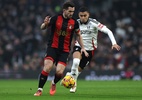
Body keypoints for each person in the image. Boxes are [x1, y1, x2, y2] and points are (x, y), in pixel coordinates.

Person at [34, 2, 88, 96]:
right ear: (64, 10)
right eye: (70, 11)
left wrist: (83, 48)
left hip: (64, 50)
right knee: (47, 67)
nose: (71, 13)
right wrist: (45, 24)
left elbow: (78, 35)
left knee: (59, 72)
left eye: (73, 11)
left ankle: (54, 83)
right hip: (53, 47)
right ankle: (39, 90)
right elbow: (42, 27)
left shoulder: (74, 23)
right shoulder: (56, 18)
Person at [66, 7, 121, 93]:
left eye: (85, 15)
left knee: (77, 72)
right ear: (78, 15)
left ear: (88, 15)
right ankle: (73, 85)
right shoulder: (75, 23)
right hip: (79, 46)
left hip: (90, 50)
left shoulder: (94, 23)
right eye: (81, 15)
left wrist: (114, 43)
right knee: (76, 62)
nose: (83, 17)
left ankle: (70, 77)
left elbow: (108, 31)